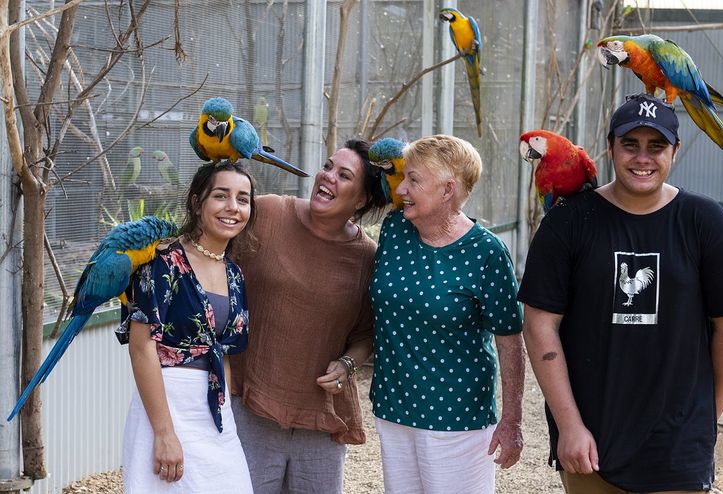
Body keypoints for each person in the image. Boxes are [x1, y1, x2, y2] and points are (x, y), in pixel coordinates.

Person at [518, 93, 723, 493]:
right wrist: (569, 426)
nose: (642, 157)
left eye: (656, 146)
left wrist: (702, 419)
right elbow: (539, 324)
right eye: (630, 144)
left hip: (677, 452)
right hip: (590, 447)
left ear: (675, 151)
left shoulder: (706, 222)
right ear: (610, 147)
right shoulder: (568, 223)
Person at [229, 138, 389, 493]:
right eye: (328, 166)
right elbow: (214, 272)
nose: (327, 176)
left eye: (344, 175)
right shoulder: (267, 213)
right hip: (251, 407)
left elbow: (366, 334)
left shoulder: (367, 257)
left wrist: (347, 365)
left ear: (361, 199)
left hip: (320, 419)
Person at [369, 134, 526, 493]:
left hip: (456, 418)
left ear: (447, 190)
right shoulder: (395, 230)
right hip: (393, 410)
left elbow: (509, 338)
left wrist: (512, 420)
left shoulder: (486, 252)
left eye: (413, 180)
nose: (401, 188)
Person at [117, 161, 256, 492]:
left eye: (243, 198)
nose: (233, 208)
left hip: (214, 412)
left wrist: (226, 415)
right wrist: (164, 433)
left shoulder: (235, 275)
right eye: (221, 196)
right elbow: (141, 346)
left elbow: (222, 352)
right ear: (197, 202)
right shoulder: (163, 262)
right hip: (166, 405)